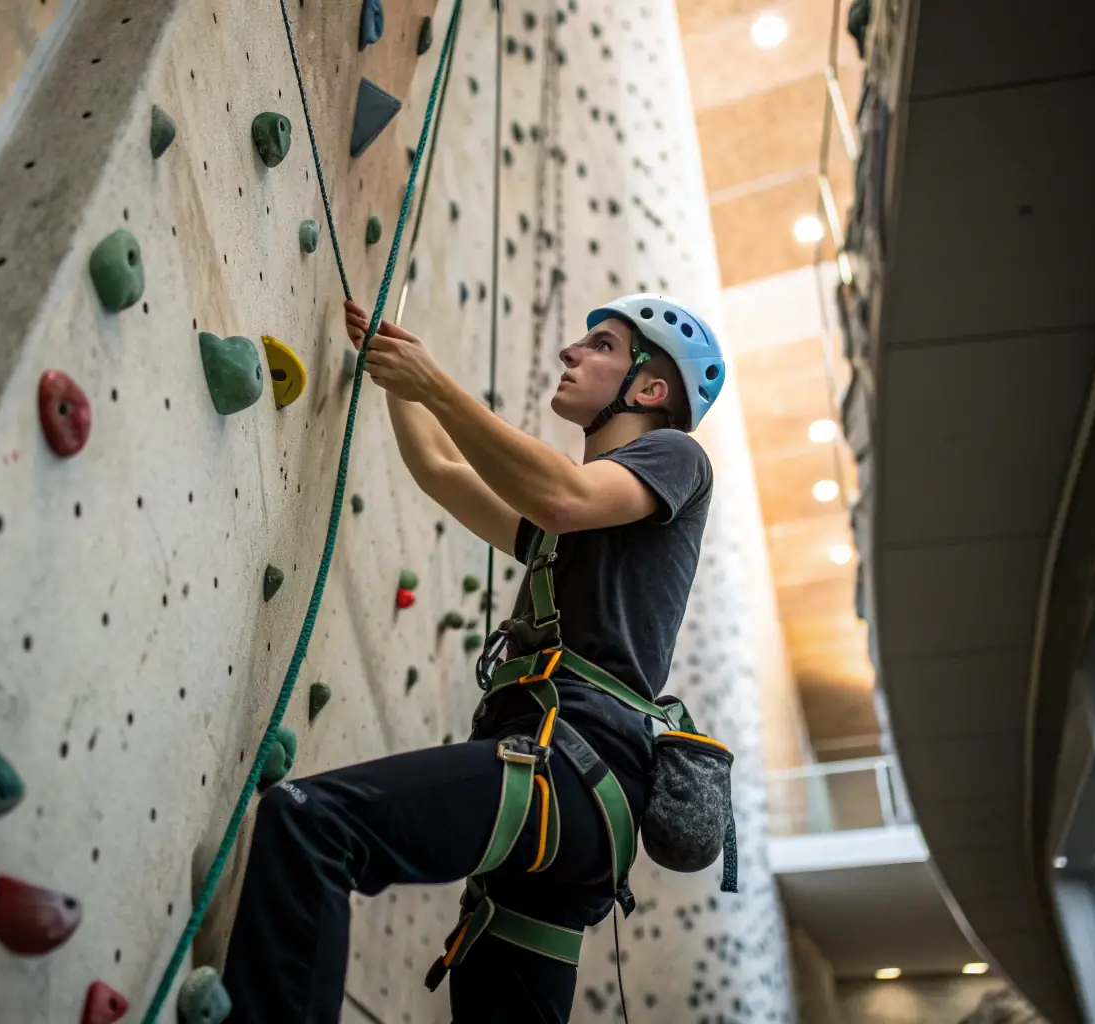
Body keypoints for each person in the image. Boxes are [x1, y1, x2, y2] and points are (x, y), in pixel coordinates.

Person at [222, 293, 727, 1023]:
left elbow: (563, 495)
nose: (571, 352)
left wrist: (434, 384)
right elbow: (440, 470)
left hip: (567, 770)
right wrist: (398, 380)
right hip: (573, 809)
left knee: (312, 822)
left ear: (649, 390)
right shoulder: (572, 533)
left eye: (603, 346)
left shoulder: (674, 456)